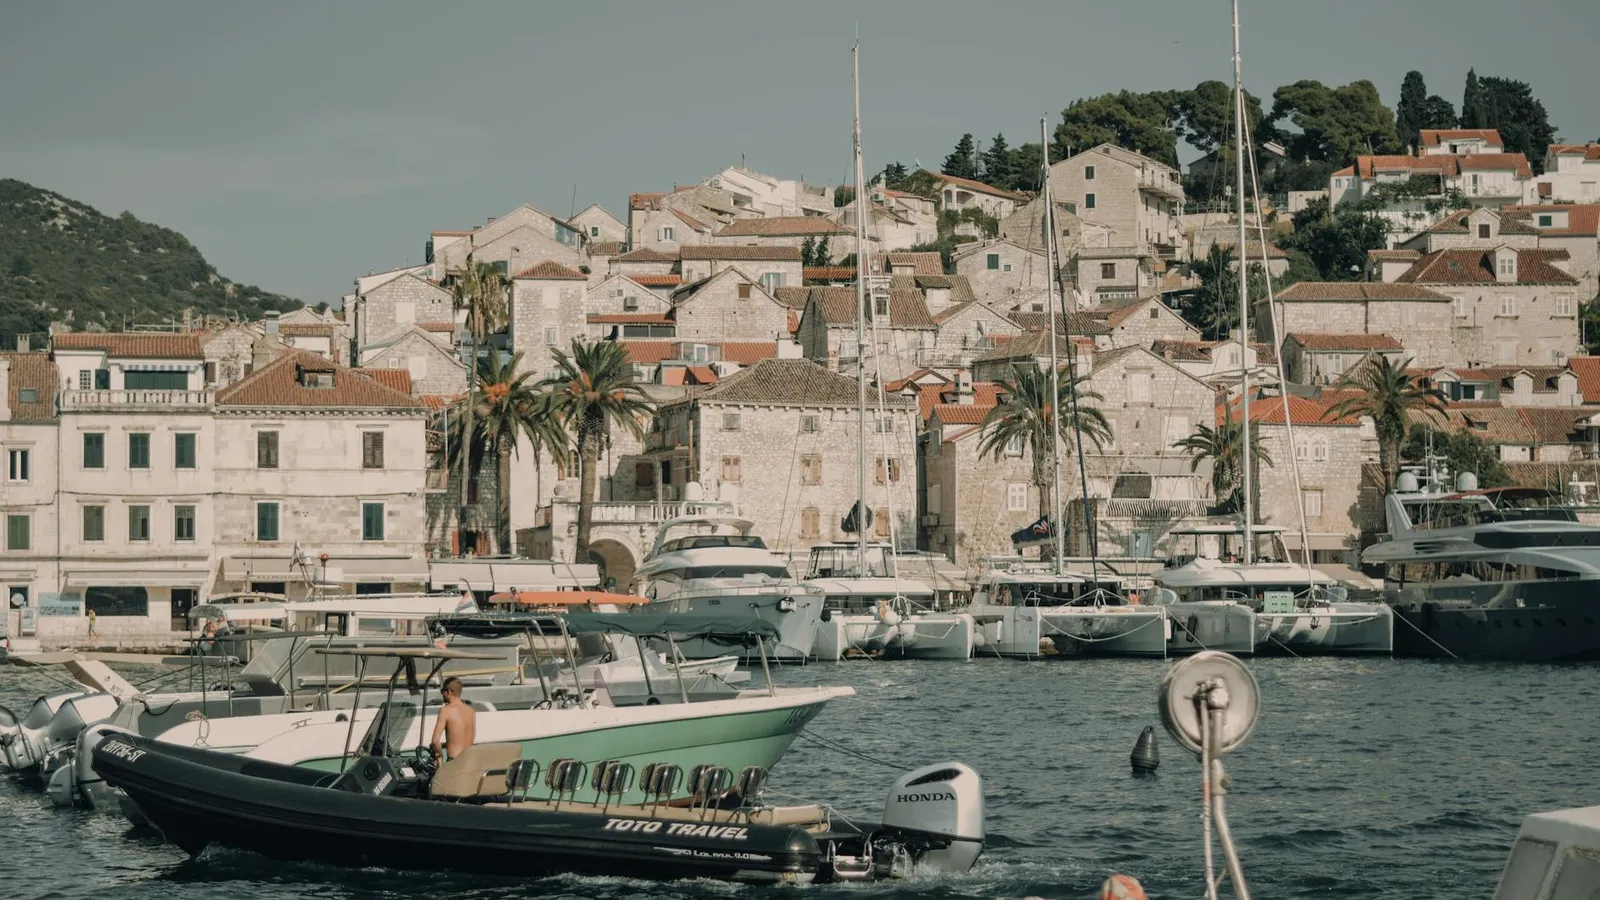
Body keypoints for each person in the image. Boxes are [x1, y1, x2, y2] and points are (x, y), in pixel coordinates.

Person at [430, 676, 476, 763]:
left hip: (454, 763)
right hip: (469, 762)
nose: (442, 694)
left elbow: (435, 741)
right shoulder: (471, 711)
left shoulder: (445, 711)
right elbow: (460, 739)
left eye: (442, 691)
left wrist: (439, 758)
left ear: (449, 692)